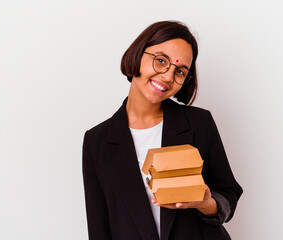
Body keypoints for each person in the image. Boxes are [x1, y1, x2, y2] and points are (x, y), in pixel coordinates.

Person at [82, 20, 243, 240]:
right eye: (160, 61)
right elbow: (99, 228)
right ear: (138, 54)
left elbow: (229, 192)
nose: (168, 76)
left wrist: (206, 204)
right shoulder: (97, 141)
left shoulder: (199, 123)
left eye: (180, 71)